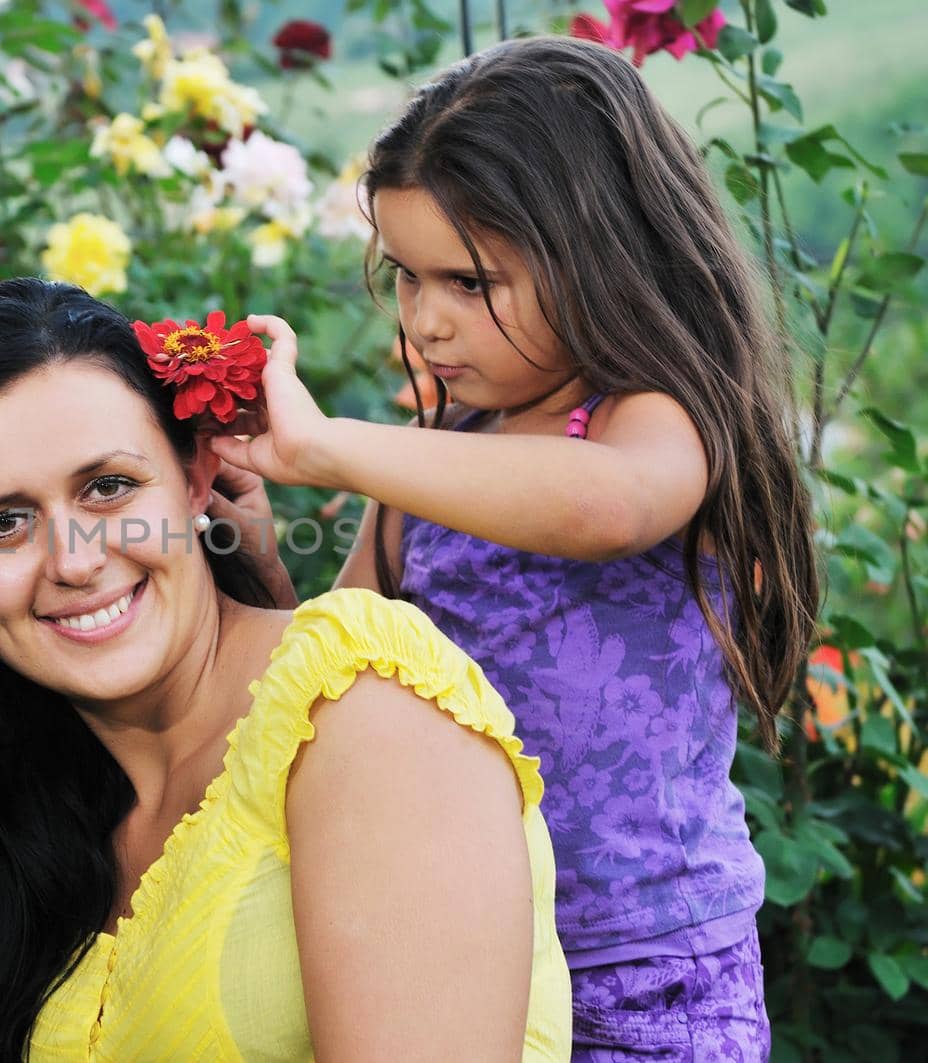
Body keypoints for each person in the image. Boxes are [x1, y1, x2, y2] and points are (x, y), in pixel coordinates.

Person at [211, 36, 819, 1061]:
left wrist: (329, 446)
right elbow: (335, 677)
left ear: (601, 253)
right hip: (456, 967)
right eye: (406, 277)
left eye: (470, 281)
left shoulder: (652, 424)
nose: (426, 320)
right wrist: (262, 566)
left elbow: (607, 507)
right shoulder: (434, 465)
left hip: (648, 980)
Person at [0, 277, 571, 1060]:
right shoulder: (32, 810)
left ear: (198, 477)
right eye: (3, 523)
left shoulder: (362, 702)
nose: (73, 561)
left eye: (109, 487)